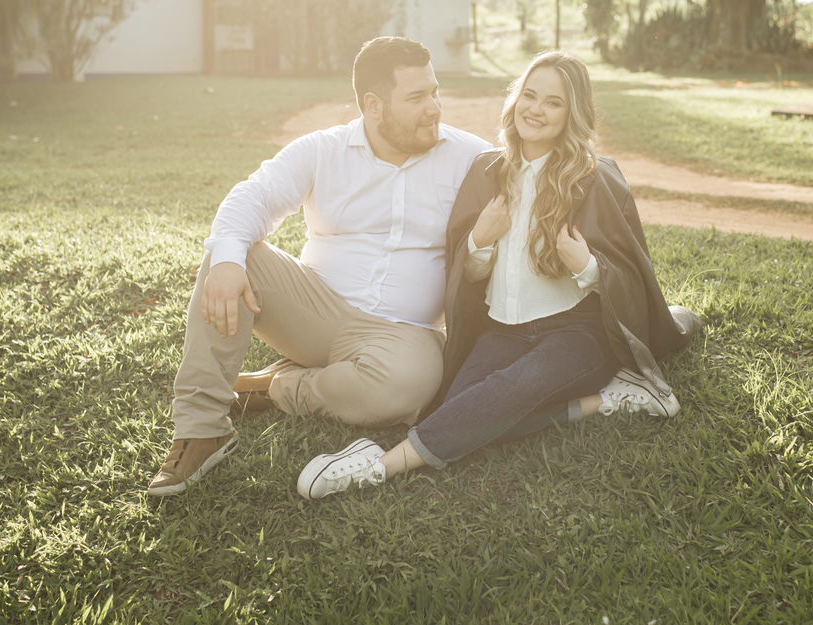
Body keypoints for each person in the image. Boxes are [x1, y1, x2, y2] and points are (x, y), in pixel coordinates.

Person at [297, 51, 702, 500]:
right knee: (464, 407)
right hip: (505, 328)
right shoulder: (488, 171)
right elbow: (468, 274)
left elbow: (628, 275)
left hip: (578, 331)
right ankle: (605, 401)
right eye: (530, 95)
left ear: (572, 113)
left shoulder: (593, 177)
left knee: (510, 391)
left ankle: (378, 464)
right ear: (515, 99)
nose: (536, 109)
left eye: (553, 102)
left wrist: (585, 265)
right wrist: (479, 240)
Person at [148, 37, 490, 496]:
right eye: (416, 98)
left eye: (434, 92)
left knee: (409, 386)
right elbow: (254, 196)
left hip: (402, 333)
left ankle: (276, 388)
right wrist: (227, 261)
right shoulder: (323, 150)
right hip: (315, 311)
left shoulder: (472, 157)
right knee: (231, 253)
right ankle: (201, 429)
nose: (434, 108)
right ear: (373, 105)